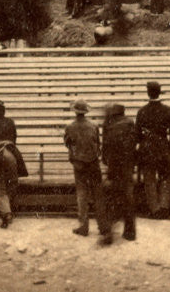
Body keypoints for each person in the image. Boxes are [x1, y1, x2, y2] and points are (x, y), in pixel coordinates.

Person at [135, 81, 170, 219]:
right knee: (166, 177)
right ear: (160, 92)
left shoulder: (142, 111)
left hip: (148, 148)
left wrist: (143, 144)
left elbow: (137, 134)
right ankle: (164, 207)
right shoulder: (168, 110)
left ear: (148, 93)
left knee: (149, 178)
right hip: (163, 146)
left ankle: (154, 209)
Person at [64, 99, 105, 237]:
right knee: (98, 194)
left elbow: (67, 143)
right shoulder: (94, 125)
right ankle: (103, 226)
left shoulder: (70, 127)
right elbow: (98, 143)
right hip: (93, 162)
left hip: (79, 164)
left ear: (75, 112)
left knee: (82, 194)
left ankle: (83, 226)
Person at [0, 100, 27, 228]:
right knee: (11, 183)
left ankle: (4, 213)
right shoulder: (10, 122)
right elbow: (14, 139)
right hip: (11, 153)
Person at [100, 103, 138, 244]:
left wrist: (107, 162)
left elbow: (104, 149)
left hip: (113, 167)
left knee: (111, 198)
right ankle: (130, 231)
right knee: (128, 197)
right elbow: (134, 144)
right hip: (127, 167)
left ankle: (108, 231)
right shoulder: (130, 123)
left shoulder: (108, 125)